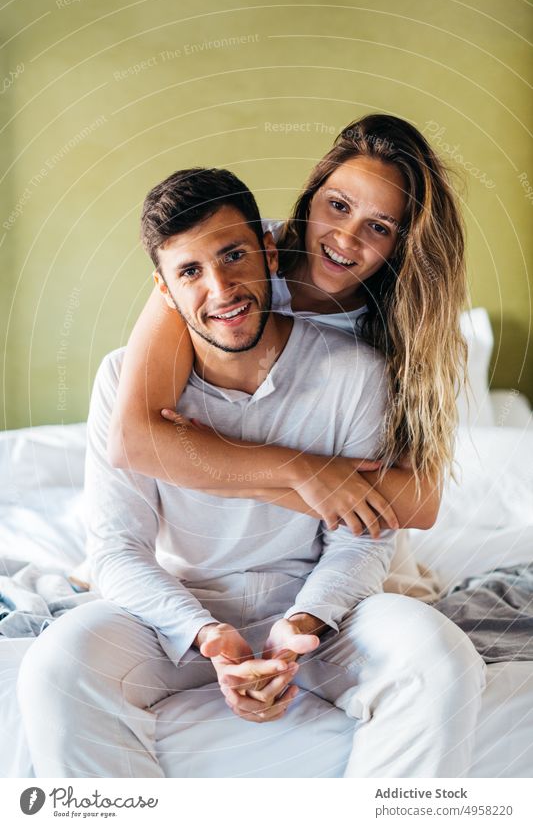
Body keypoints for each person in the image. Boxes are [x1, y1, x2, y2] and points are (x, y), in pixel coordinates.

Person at [17, 168, 485, 778]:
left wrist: (302, 624)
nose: (221, 288)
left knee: (441, 660)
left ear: (268, 247)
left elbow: (360, 538)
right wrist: (208, 634)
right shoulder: (124, 380)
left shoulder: (360, 373)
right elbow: (116, 548)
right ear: (163, 288)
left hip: (318, 617)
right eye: (190, 272)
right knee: (57, 667)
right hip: (175, 614)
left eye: (234, 255)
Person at [107, 114, 468, 545]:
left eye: (378, 227)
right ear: (311, 197)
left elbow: (420, 505)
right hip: (206, 536)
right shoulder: (230, 260)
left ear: (401, 244)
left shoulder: (400, 335)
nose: (346, 238)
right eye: (338, 205)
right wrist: (305, 473)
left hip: (347, 540)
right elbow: (134, 440)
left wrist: (220, 470)